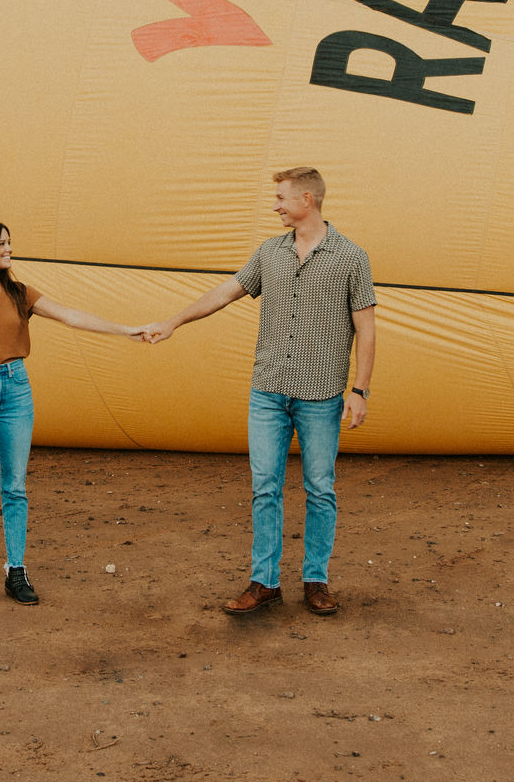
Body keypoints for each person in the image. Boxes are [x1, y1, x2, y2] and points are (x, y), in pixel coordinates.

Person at [145, 167, 376, 616]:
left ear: (307, 200)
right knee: (265, 487)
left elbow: (365, 330)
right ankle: (265, 582)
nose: (275, 206)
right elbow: (224, 293)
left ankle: (316, 581)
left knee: (320, 488)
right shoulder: (270, 253)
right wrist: (172, 322)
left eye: (281, 198)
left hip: (321, 395)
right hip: (268, 391)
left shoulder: (351, 257)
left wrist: (360, 390)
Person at [0, 219, 148, 605]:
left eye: (10, 242)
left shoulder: (20, 294)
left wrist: (124, 330)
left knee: (15, 487)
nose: (9, 249)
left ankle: (16, 570)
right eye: (2, 243)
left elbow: (69, 315)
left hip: (15, 389)